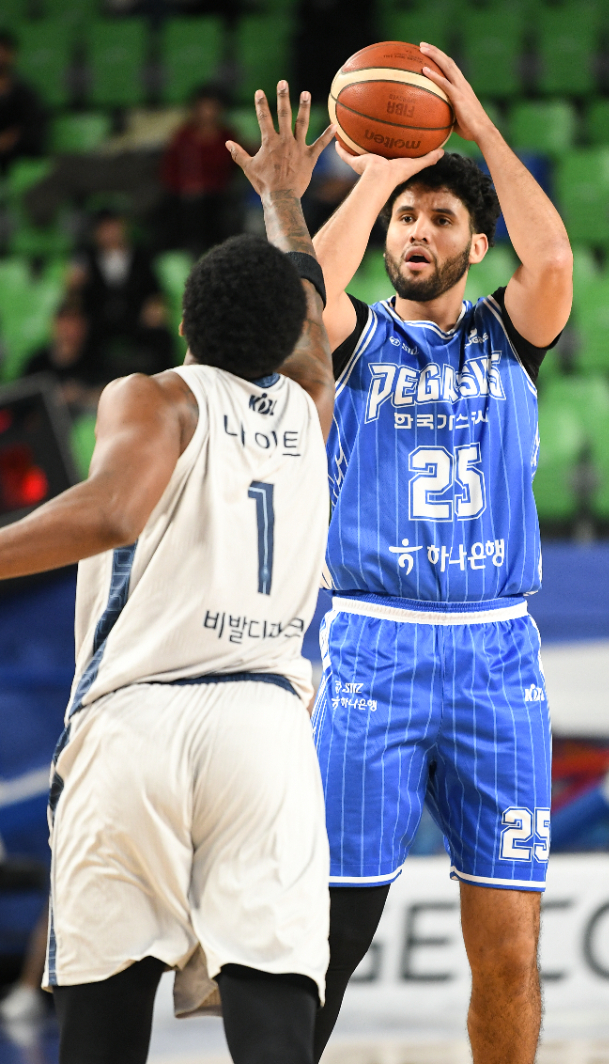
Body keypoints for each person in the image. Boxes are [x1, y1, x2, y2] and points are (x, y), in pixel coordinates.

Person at [0, 83, 335, 1064]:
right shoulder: (311, 408)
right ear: (278, 339)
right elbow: (311, 330)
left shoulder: (152, 396)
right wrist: (284, 203)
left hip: (140, 719)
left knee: (106, 1009)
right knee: (272, 1007)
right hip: (265, 725)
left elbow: (108, 510)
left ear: (184, 321)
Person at [310, 43, 573, 1064]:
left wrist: (469, 118)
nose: (417, 231)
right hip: (372, 647)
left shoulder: (509, 338)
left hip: (494, 655)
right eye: (406, 219)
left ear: (474, 245)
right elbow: (302, 282)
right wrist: (379, 164)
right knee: (328, 939)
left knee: (508, 950)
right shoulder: (354, 337)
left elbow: (549, 261)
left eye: (439, 219)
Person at [69, 209, 174, 380]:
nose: (109, 233)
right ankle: (91, 384)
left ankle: (164, 382)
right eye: (104, 228)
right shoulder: (85, 257)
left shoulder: (141, 256)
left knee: (160, 335)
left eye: (113, 227)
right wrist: (74, 287)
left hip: (135, 318)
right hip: (99, 321)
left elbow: (154, 291)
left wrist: (154, 307)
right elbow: (75, 295)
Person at [159, 84, 238, 255]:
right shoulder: (183, 136)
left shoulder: (227, 137)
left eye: (212, 108)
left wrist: (208, 186)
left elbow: (234, 168)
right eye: (203, 107)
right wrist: (184, 186)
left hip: (216, 198)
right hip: (182, 198)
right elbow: (169, 171)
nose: (207, 113)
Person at [22, 302, 104, 416]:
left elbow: (109, 394)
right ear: (54, 324)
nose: (70, 329)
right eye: (65, 322)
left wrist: (82, 395)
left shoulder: (97, 360)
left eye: (75, 322)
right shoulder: (36, 363)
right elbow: (22, 401)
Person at [0, 30, 45, 173]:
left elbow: (33, 133)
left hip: (17, 161)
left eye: (3, 52)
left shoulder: (26, 95)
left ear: (12, 55)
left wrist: (10, 140)